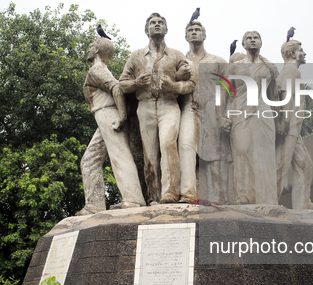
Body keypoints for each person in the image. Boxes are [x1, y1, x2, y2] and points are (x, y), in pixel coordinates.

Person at [119, 13, 195, 204]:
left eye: (161, 23)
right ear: (147, 30)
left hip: (168, 105)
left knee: (168, 145)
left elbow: (191, 84)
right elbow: (122, 84)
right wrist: (136, 83)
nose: (157, 25)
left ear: (166, 29)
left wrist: (174, 86)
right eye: (153, 23)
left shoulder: (177, 55)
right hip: (144, 106)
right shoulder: (136, 56)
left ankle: (170, 192)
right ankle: (153, 195)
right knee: (149, 153)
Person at [76, 37, 146, 216]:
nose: (89, 49)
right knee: (89, 161)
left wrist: (122, 116)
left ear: (98, 50)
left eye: (92, 46)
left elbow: (116, 88)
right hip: (103, 116)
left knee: (119, 155)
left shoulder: (96, 70)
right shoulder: (100, 69)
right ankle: (94, 205)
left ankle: (133, 199)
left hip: (109, 114)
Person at [218, 31, 279, 205]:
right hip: (240, 111)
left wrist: (282, 119)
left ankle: (267, 197)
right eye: (249, 38)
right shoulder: (235, 67)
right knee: (242, 151)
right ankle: (244, 195)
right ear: (243, 44)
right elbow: (222, 92)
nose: (253, 40)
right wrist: (220, 116)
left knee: (265, 154)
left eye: (256, 37)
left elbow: (275, 95)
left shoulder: (269, 67)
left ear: (261, 42)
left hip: (263, 111)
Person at [179, 20, 230, 203]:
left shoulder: (217, 61)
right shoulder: (180, 61)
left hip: (212, 110)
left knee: (217, 156)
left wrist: (223, 114)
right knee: (186, 147)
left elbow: (230, 88)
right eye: (190, 30)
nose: (194, 33)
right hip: (189, 108)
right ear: (185, 36)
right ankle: (188, 194)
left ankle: (219, 198)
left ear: (204, 35)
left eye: (198, 30)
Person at [275, 40, 313, 210]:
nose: (304, 53)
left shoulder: (290, 71)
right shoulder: (291, 71)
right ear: (292, 53)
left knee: (304, 164)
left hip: (295, 128)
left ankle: (303, 203)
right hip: (289, 126)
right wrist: (285, 122)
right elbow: (286, 96)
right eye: (301, 50)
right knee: (281, 165)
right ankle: (271, 200)